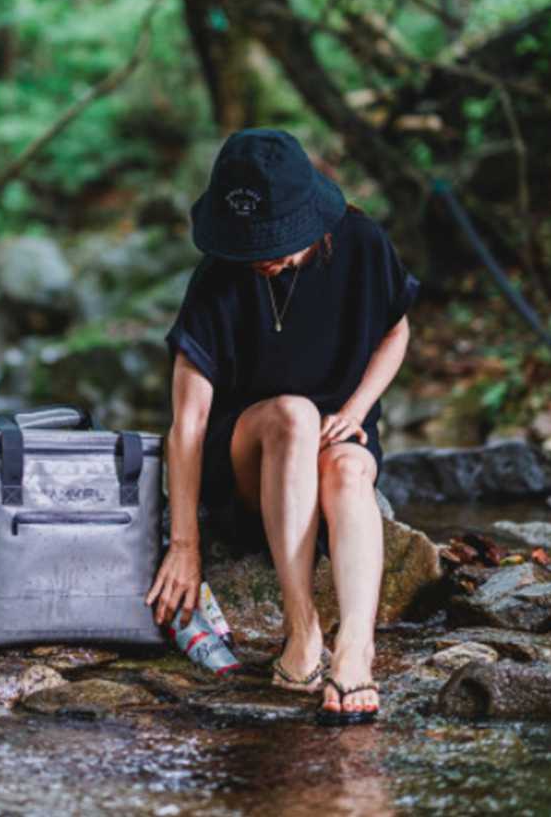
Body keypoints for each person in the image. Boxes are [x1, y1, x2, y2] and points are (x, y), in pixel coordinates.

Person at [145, 128, 418, 725]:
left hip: (336, 441)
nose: (263, 255)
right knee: (294, 412)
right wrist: (184, 545)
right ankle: (303, 632)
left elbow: (396, 329)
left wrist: (356, 407)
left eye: (276, 240)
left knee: (349, 469)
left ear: (315, 218)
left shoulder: (364, 243)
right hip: (249, 457)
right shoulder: (216, 279)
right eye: (248, 243)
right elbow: (187, 424)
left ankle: (356, 648)